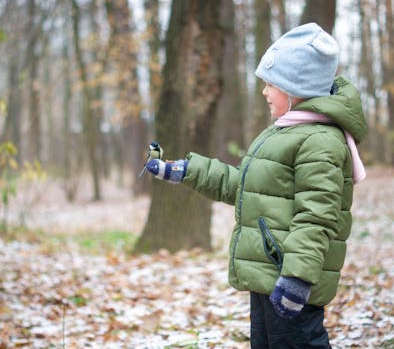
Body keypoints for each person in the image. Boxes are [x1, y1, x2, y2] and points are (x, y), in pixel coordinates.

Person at [145, 22, 367, 348]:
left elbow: (317, 217)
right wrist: (186, 170)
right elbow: (247, 187)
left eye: (270, 84)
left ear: (295, 87)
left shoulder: (319, 141)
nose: (264, 91)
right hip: (268, 276)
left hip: (290, 279)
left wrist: (297, 278)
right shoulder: (287, 132)